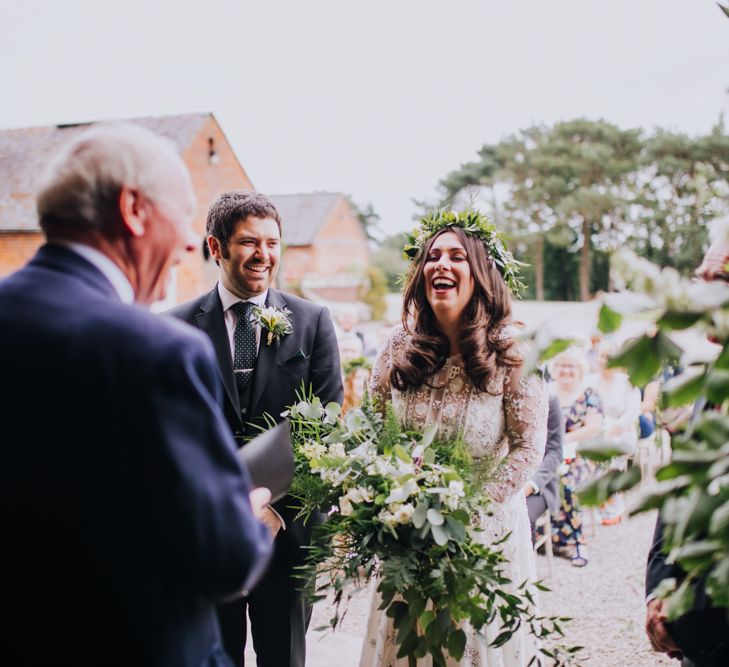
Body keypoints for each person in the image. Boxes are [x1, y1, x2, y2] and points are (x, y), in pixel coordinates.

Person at [0, 124, 273, 666]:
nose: (193, 242)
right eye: (183, 214)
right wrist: (245, 511)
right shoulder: (158, 351)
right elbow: (223, 560)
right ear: (133, 209)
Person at [360, 211, 548, 666]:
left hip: (484, 537)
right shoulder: (395, 346)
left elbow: (527, 449)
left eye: (457, 256)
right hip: (406, 536)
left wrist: (466, 511)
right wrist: (389, 495)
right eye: (432, 256)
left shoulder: (514, 351)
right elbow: (368, 431)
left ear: (481, 273)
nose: (440, 265)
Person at [168, 191, 342, 667]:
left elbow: (326, 429)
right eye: (248, 242)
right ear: (215, 246)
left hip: (286, 537)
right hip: (205, 534)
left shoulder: (312, 322)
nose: (263, 255)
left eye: (272, 242)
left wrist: (275, 511)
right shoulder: (175, 328)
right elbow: (168, 436)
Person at [645, 224, 729, 667]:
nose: (701, 292)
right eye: (702, 277)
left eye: (720, 280)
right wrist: (659, 590)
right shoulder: (710, 383)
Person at [548, 347, 603, 567]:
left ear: (580, 369)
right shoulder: (547, 390)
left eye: (571, 366)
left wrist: (563, 440)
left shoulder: (588, 392)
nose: (566, 370)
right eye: (562, 365)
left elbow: (593, 428)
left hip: (583, 453)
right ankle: (550, 537)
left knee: (568, 484)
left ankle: (577, 542)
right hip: (551, 452)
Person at [586, 339, 641, 525]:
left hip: (620, 433)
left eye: (609, 356)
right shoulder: (590, 381)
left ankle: (612, 503)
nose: (604, 360)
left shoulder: (627, 383)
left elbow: (632, 413)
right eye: (601, 356)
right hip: (594, 431)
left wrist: (611, 432)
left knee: (610, 451)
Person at [525, 395, 564, 542]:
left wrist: (531, 485)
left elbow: (555, 452)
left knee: (523, 517)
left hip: (539, 486)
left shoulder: (550, 400)